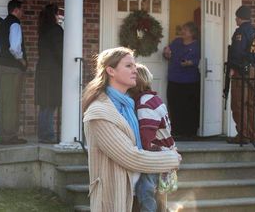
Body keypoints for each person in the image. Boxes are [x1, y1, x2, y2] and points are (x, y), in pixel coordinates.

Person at [82, 47, 180, 212]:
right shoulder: (100, 112)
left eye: (135, 65)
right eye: (128, 66)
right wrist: (170, 158)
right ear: (110, 70)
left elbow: (143, 143)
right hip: (117, 196)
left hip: (140, 195)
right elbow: (129, 156)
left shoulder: (131, 104)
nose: (135, 69)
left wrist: (163, 148)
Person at [129, 63, 179, 212]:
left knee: (146, 189)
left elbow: (147, 136)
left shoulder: (145, 104)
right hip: (165, 150)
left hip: (156, 152)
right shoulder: (154, 99)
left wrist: (141, 150)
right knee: (159, 191)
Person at [226, 6, 255, 144]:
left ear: (240, 18)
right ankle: (252, 134)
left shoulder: (240, 32)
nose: (235, 19)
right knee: (250, 104)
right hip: (253, 71)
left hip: (241, 72)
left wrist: (232, 68)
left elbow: (237, 53)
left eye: (236, 17)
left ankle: (243, 135)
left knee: (238, 104)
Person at [0, 0, 27, 145]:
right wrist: (22, 61)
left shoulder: (3, 23)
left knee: (4, 101)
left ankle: (5, 134)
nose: (22, 13)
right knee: (12, 102)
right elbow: (15, 47)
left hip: (1, 66)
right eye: (21, 10)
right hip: (11, 67)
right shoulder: (14, 23)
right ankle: (10, 136)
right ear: (16, 10)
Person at [163, 22, 201, 139]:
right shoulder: (176, 42)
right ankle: (176, 131)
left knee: (189, 107)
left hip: (190, 81)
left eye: (186, 30)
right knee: (175, 106)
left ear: (192, 33)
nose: (183, 31)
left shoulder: (198, 45)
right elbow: (167, 55)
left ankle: (190, 132)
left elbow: (200, 59)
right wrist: (166, 53)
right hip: (174, 78)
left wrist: (191, 63)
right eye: (183, 29)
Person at [35, 4, 63, 144]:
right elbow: (60, 51)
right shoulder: (55, 30)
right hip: (52, 72)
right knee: (50, 103)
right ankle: (48, 135)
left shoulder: (43, 30)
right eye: (58, 14)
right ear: (54, 15)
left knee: (45, 104)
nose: (59, 16)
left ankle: (43, 134)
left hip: (43, 70)